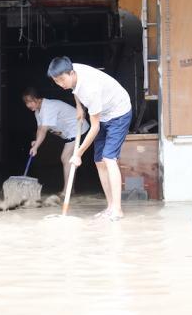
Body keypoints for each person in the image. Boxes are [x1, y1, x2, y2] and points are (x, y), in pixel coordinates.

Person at [47, 57, 132, 221]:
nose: (60, 84)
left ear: (71, 73)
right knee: (99, 161)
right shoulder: (73, 71)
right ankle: (110, 207)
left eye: (62, 80)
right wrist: (79, 107)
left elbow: (94, 128)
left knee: (109, 158)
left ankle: (117, 210)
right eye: (56, 81)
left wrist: (78, 153)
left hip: (118, 112)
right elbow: (74, 88)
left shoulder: (90, 89)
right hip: (103, 112)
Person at [22, 87, 90, 196]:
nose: (28, 105)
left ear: (38, 99)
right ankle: (70, 189)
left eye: (30, 102)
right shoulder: (38, 111)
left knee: (66, 158)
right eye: (26, 103)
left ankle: (67, 191)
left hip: (78, 129)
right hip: (70, 133)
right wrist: (36, 142)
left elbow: (44, 129)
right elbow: (40, 128)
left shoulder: (48, 107)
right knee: (68, 159)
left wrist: (36, 148)